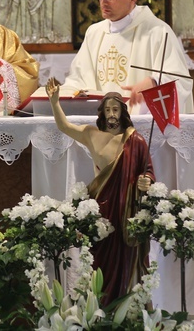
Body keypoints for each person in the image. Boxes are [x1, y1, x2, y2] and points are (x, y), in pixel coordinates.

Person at [46, 78, 154, 306]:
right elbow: (64, 126)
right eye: (107, 110)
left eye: (115, 109)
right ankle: (100, 311)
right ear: (102, 113)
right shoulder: (91, 134)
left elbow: (149, 171)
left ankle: (125, 311)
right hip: (101, 211)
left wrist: (146, 182)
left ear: (122, 112)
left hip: (126, 212)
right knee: (99, 263)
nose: (111, 113)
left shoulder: (137, 141)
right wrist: (55, 102)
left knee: (124, 262)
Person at [63, 0, 194, 114]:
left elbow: (181, 80)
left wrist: (154, 82)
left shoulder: (158, 32)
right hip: (101, 127)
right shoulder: (94, 33)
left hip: (140, 128)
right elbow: (77, 79)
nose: (103, 1)